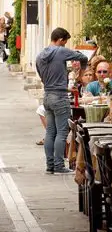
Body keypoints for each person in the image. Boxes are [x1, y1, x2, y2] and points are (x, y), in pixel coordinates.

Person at [36, 28, 89, 175]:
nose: (65, 45)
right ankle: (59, 166)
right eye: (65, 42)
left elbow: (42, 77)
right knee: (62, 132)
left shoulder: (40, 56)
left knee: (50, 132)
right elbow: (83, 57)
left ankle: (50, 165)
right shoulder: (60, 51)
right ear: (60, 40)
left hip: (47, 95)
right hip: (59, 96)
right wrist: (81, 73)